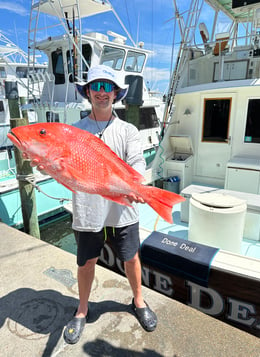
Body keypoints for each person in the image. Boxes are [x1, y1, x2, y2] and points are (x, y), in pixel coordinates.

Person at [63, 65, 157, 344]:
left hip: (123, 207)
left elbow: (137, 161)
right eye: (96, 86)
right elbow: (66, 170)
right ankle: (82, 309)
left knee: (131, 257)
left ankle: (138, 301)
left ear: (116, 93)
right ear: (88, 92)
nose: (102, 93)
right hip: (88, 209)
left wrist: (135, 185)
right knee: (86, 262)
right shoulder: (74, 131)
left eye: (107, 87)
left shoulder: (128, 130)